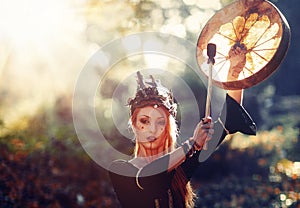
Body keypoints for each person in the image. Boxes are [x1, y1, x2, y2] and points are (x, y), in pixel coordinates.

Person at [108, 71, 256, 208]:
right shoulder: (121, 171)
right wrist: (192, 143)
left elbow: (229, 118)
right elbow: (148, 177)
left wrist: (235, 72)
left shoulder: (180, 167)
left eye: (160, 122)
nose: (152, 129)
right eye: (144, 121)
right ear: (134, 125)